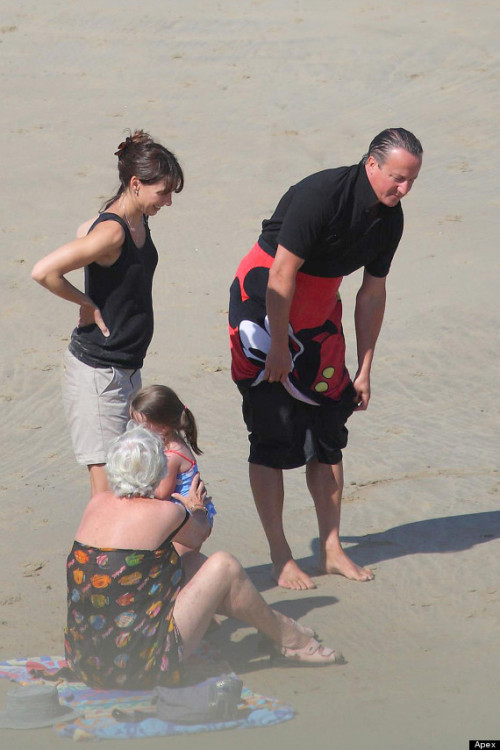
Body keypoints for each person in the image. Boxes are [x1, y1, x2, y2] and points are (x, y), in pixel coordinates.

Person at [229, 128, 423, 590]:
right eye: (397, 178)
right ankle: (280, 557)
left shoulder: (389, 220)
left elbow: (372, 294)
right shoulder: (321, 195)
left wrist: (365, 367)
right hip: (264, 303)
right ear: (371, 164)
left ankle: (331, 548)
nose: (404, 189)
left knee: (330, 430)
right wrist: (277, 345)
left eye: (412, 180)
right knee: (272, 432)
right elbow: (280, 273)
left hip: (319, 313)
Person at [64, 425, 342, 690]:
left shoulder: (96, 503)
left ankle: (274, 623)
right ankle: (288, 638)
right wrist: (195, 508)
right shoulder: (165, 513)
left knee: (190, 564)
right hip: (138, 666)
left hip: (86, 658)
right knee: (224, 566)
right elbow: (199, 535)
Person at [31, 130, 184, 496]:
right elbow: (43, 271)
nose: (167, 202)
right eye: (163, 192)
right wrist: (86, 301)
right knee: (108, 496)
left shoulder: (135, 219)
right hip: (98, 376)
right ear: (135, 184)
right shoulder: (113, 233)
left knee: (134, 483)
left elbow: (86, 229)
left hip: (127, 371)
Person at [130, 384, 216, 555]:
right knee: (182, 567)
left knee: (180, 567)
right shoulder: (168, 444)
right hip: (187, 514)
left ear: (163, 427)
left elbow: (162, 493)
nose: (136, 430)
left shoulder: (172, 456)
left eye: (141, 426)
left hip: (189, 518)